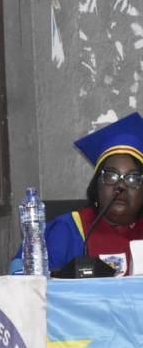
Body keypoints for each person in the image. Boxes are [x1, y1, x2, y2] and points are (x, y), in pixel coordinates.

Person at [10, 112, 143, 275]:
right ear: (96, 186)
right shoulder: (67, 230)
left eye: (132, 178)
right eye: (110, 176)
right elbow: (23, 280)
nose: (120, 186)